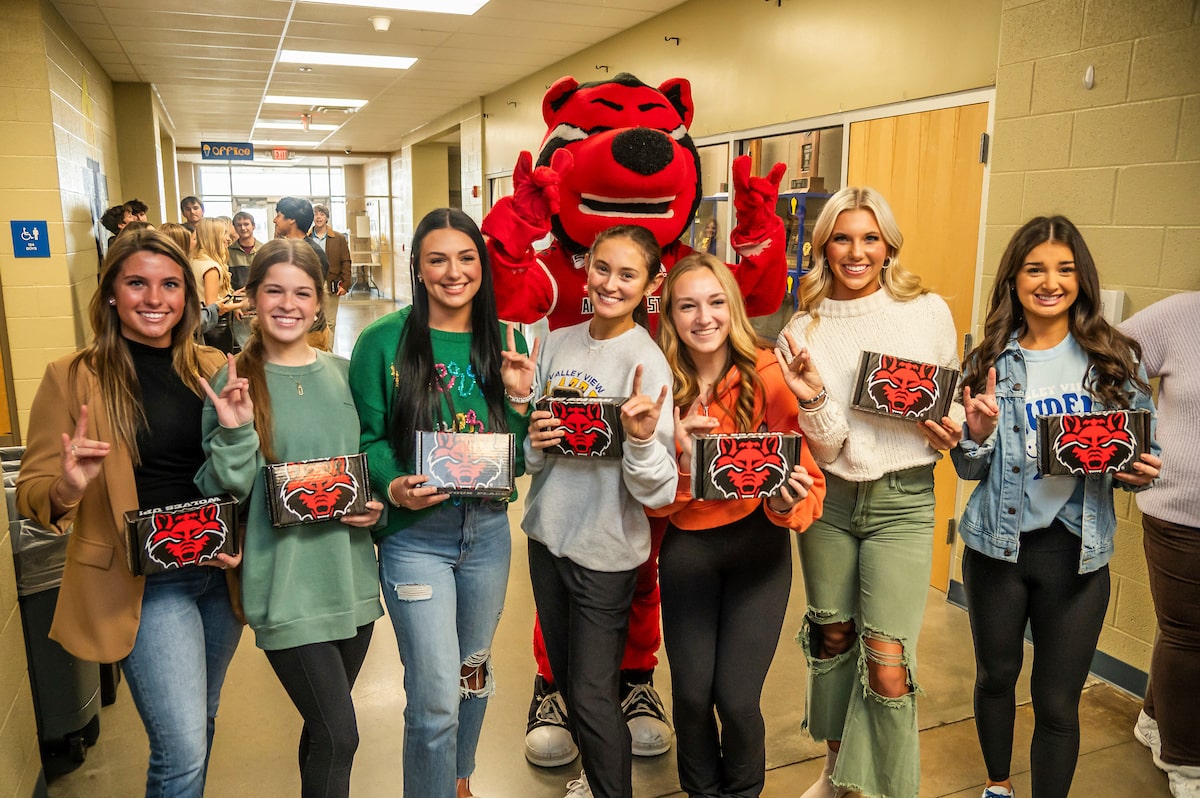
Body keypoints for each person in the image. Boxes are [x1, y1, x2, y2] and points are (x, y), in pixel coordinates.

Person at [15, 229, 243, 797]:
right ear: (111, 292)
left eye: (170, 285)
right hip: (142, 584)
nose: (154, 298)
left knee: (202, 722)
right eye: (136, 283)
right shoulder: (72, 375)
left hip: (216, 574)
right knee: (182, 748)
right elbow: (33, 496)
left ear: (188, 296)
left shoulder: (210, 365)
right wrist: (68, 486)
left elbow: (236, 467)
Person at [953, 216, 1161, 798]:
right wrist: (975, 433)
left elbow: (1143, 457)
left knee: (1057, 701)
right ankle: (998, 785)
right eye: (1035, 269)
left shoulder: (1116, 359)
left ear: (1082, 279)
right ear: (1015, 279)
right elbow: (970, 467)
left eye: (1065, 269)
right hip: (997, 550)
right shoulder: (989, 356)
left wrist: (1133, 471)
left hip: (1076, 556)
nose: (1051, 282)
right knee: (996, 678)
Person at [775, 186, 964, 798]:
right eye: (842, 238)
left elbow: (947, 413)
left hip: (904, 502)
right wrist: (816, 399)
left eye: (869, 238)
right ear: (823, 245)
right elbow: (827, 448)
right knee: (833, 635)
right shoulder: (804, 328)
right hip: (831, 502)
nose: (856, 252)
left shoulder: (929, 311)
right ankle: (835, 770)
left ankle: (887, 788)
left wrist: (954, 426)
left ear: (888, 246)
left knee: (887, 662)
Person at [349, 208, 535, 798]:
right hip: (415, 537)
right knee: (433, 697)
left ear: (481, 264)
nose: (454, 272)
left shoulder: (508, 340)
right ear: (418, 268)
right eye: (438, 259)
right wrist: (393, 483)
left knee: (472, 673)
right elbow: (365, 440)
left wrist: (522, 402)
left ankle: (457, 779)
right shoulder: (383, 341)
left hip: (487, 534)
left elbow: (519, 461)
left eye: (466, 257)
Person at [196, 239, 384, 798]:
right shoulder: (233, 384)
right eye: (273, 290)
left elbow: (362, 465)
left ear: (320, 301)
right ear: (251, 297)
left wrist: (374, 502)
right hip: (283, 586)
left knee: (322, 731)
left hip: (349, 581)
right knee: (341, 734)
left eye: (302, 292)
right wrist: (233, 429)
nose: (287, 304)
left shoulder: (344, 373)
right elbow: (221, 491)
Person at [649, 253, 826, 798]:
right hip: (688, 553)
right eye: (688, 306)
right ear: (670, 316)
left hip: (758, 553)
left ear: (734, 307)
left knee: (737, 698)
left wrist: (783, 504)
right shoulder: (660, 386)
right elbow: (651, 504)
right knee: (693, 697)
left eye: (715, 302)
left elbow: (808, 485)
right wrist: (679, 458)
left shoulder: (771, 374)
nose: (704, 317)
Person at [523, 224, 677, 798]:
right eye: (602, 268)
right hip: (547, 540)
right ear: (586, 268)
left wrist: (638, 440)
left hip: (606, 553)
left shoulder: (647, 361)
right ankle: (596, 777)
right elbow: (535, 461)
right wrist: (531, 433)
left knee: (589, 693)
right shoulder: (558, 343)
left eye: (628, 274)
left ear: (650, 284)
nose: (611, 283)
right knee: (569, 680)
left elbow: (658, 490)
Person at [1120, 292, 1200, 798]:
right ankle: (1187, 762)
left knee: (1185, 632)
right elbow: (1103, 356)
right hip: (1181, 511)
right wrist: (1129, 434)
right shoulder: (1181, 315)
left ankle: (1154, 718)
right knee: (1189, 635)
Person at [275, 197, 332, 351]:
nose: (275, 220)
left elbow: (309, 295)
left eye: (279, 215)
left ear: (291, 220)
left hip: (309, 332)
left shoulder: (311, 253)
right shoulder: (285, 248)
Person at [192, 217, 243, 353]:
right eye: (224, 234)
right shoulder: (211, 267)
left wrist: (231, 296)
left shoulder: (194, 261)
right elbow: (215, 309)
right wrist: (243, 305)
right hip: (215, 332)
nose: (228, 238)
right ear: (213, 237)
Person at [311, 204, 351, 341]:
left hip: (330, 283)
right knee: (312, 321)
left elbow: (346, 261)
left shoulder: (338, 238)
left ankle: (328, 352)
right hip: (312, 283)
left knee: (329, 322)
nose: (318, 217)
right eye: (316, 214)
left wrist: (345, 284)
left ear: (326, 218)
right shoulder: (307, 238)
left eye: (321, 214)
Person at [228, 211, 263, 351]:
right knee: (244, 349)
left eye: (246, 224)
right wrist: (234, 305)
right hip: (239, 309)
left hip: (261, 305)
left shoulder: (264, 249)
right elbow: (226, 283)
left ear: (253, 226)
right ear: (234, 227)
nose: (243, 228)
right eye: (239, 225)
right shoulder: (228, 252)